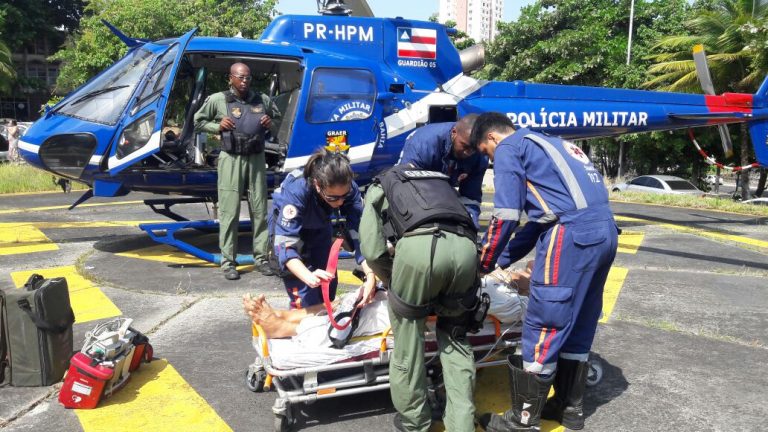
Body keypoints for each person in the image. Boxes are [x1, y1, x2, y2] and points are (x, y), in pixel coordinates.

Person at [470, 112, 619, 432]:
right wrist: (500, 260)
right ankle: (569, 408)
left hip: (571, 236)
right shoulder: (551, 143)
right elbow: (538, 222)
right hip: (605, 232)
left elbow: (506, 215)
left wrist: (482, 261)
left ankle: (523, 420)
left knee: (544, 320)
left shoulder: (510, 147)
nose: (491, 160)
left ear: (493, 138)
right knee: (579, 319)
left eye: (485, 152)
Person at [359, 165, 480, 432]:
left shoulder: (382, 185)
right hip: (466, 249)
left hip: (419, 251)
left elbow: (371, 249)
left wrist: (392, 280)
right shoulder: (438, 180)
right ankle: (462, 424)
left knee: (408, 344)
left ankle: (416, 422)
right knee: (456, 339)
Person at [193, 62, 280, 280]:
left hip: (257, 159)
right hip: (231, 159)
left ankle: (261, 259)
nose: (244, 81)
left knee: (259, 210)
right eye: (240, 77)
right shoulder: (218, 100)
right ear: (230, 78)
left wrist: (270, 124)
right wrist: (217, 126)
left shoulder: (263, 100)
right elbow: (198, 121)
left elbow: (280, 121)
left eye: (248, 78)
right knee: (229, 212)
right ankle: (228, 262)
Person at [270, 147, 377, 310]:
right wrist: (308, 276)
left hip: (320, 225)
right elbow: (286, 246)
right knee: (307, 299)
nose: (340, 202)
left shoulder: (348, 189)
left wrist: (370, 275)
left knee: (328, 288)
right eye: (333, 197)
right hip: (291, 231)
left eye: (344, 196)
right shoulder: (297, 190)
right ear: (318, 185)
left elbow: (361, 235)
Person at [398, 114, 487, 226]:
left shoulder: (479, 156)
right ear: (454, 133)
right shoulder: (424, 143)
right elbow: (405, 188)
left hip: (445, 190)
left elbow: (470, 197)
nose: (468, 152)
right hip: (416, 185)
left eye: (473, 149)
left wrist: (469, 225)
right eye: (465, 146)